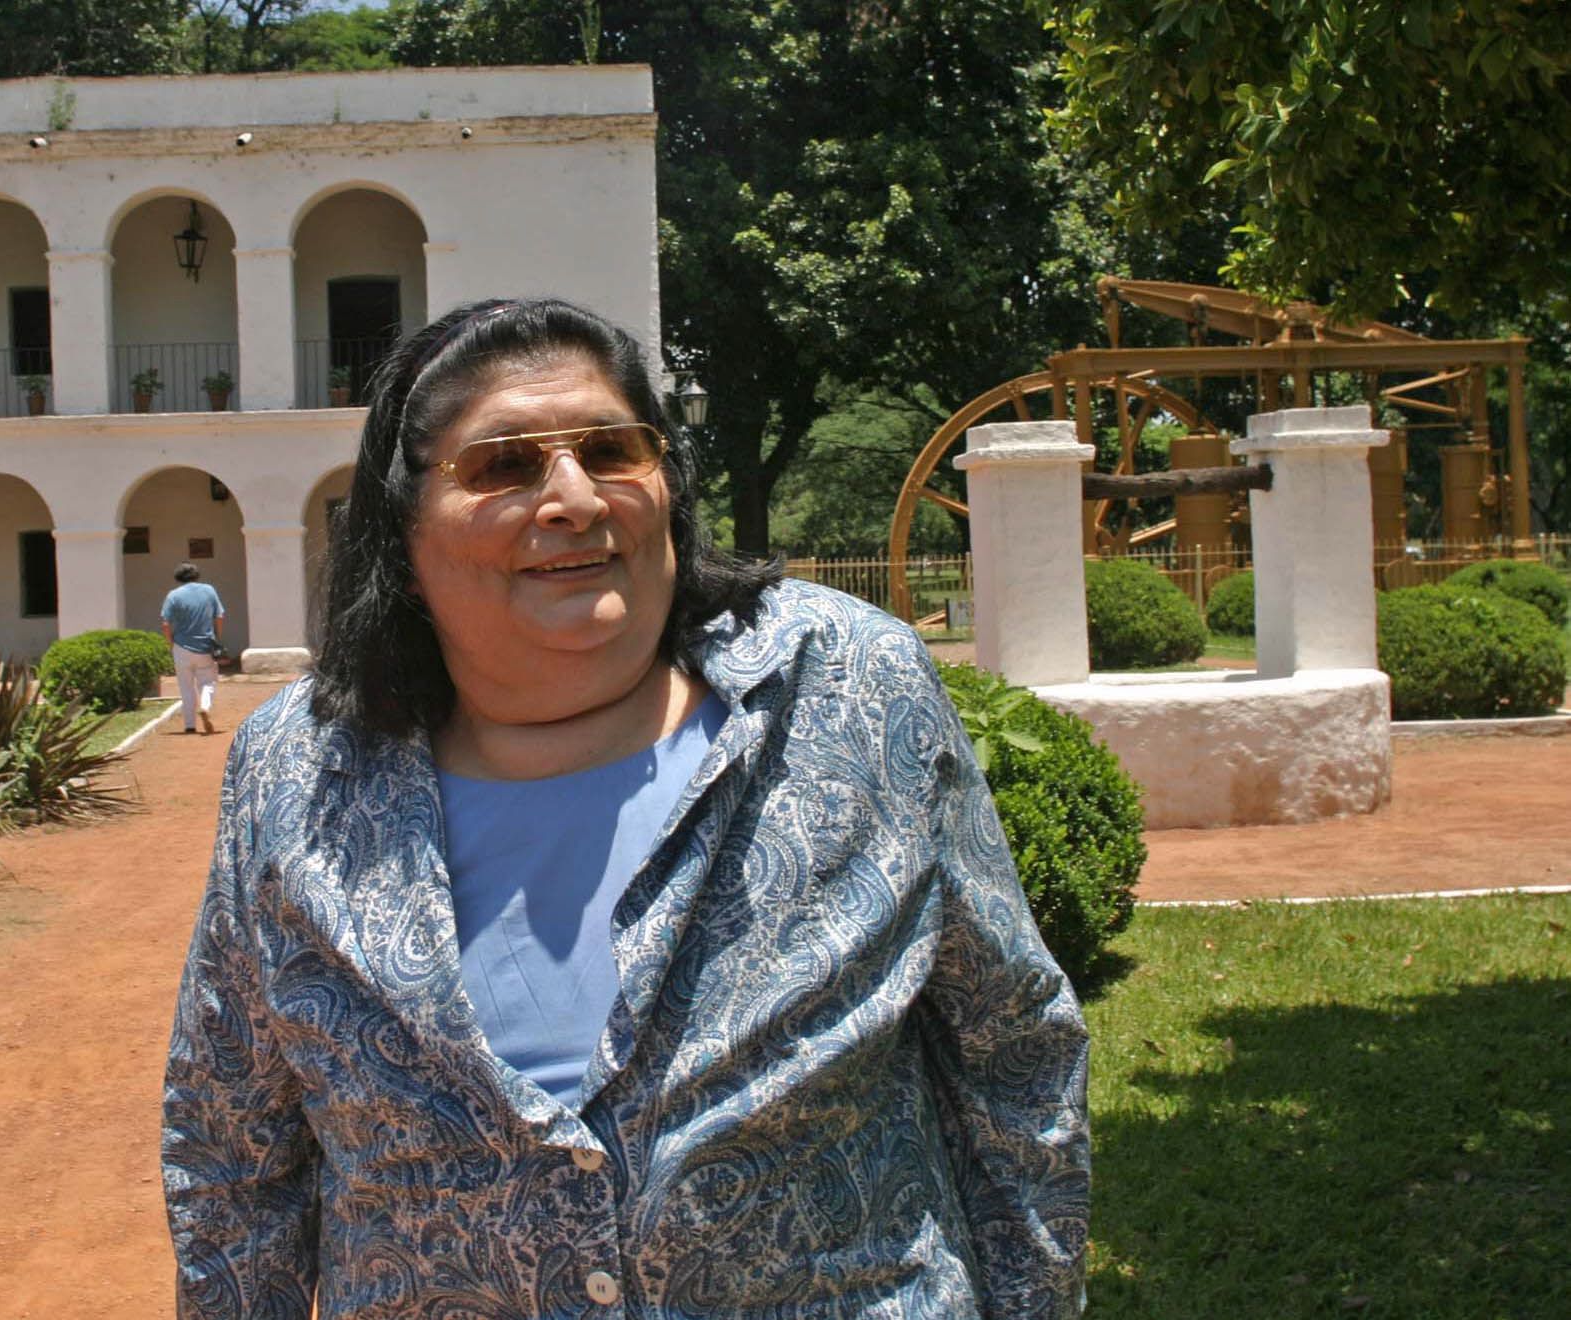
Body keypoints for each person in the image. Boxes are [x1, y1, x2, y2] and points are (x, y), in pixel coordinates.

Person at [163, 298, 1090, 1318]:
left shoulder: (848, 689)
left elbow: (1015, 1050)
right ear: (403, 531)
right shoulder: (299, 776)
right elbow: (233, 1156)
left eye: (611, 451)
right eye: (505, 466)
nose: (572, 498)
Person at [160, 562, 225, 735]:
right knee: (208, 681)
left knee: (185, 686)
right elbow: (219, 616)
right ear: (197, 575)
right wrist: (218, 638)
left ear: (178, 577)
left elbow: (165, 623)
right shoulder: (209, 590)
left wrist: (171, 643)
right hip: (205, 645)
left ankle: (189, 725)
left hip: (181, 646)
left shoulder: (173, 595)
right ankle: (205, 706)